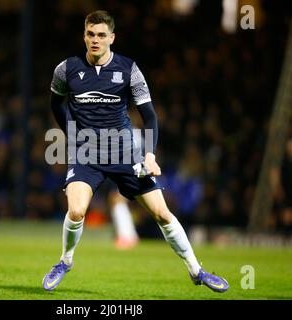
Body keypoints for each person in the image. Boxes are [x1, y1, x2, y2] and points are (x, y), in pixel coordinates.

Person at [42, 10, 229, 293]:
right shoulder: (66, 69)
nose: (95, 40)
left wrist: (150, 155)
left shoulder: (129, 69)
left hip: (124, 153)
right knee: (77, 210)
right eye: (91, 34)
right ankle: (65, 261)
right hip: (87, 154)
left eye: (101, 35)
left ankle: (196, 270)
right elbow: (57, 105)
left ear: (112, 38)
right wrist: (71, 135)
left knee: (162, 214)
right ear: (84, 35)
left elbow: (150, 117)